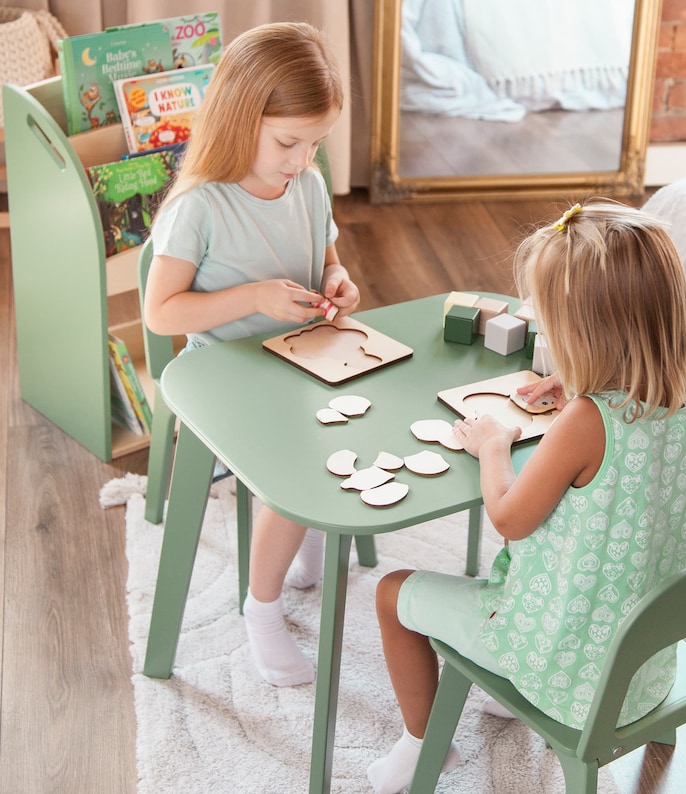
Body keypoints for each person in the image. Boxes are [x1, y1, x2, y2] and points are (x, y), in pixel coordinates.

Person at [366, 200, 686, 793]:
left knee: (389, 594)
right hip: (646, 660)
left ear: (587, 333)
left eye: (551, 326)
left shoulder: (586, 421)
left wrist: (493, 445)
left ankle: (422, 742)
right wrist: (589, 377)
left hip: (566, 667)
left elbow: (509, 518)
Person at [144, 22, 360, 687]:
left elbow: (325, 256)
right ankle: (260, 608)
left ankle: (306, 526)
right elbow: (161, 313)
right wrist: (253, 298)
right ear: (244, 117)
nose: (302, 159)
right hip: (222, 371)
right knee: (297, 466)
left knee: (366, 414)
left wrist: (336, 280)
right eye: (289, 142)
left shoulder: (310, 184)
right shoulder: (200, 209)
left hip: (299, 353)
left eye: (316, 143)